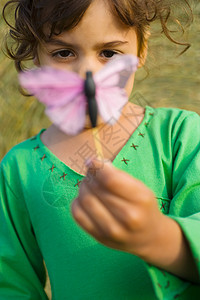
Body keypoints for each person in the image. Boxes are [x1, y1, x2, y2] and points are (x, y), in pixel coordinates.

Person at [1, 0, 200, 299]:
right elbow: (11, 285)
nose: (87, 73)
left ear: (141, 49)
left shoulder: (179, 136)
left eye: (109, 52)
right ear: (37, 58)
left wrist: (155, 236)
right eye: (63, 53)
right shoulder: (19, 168)